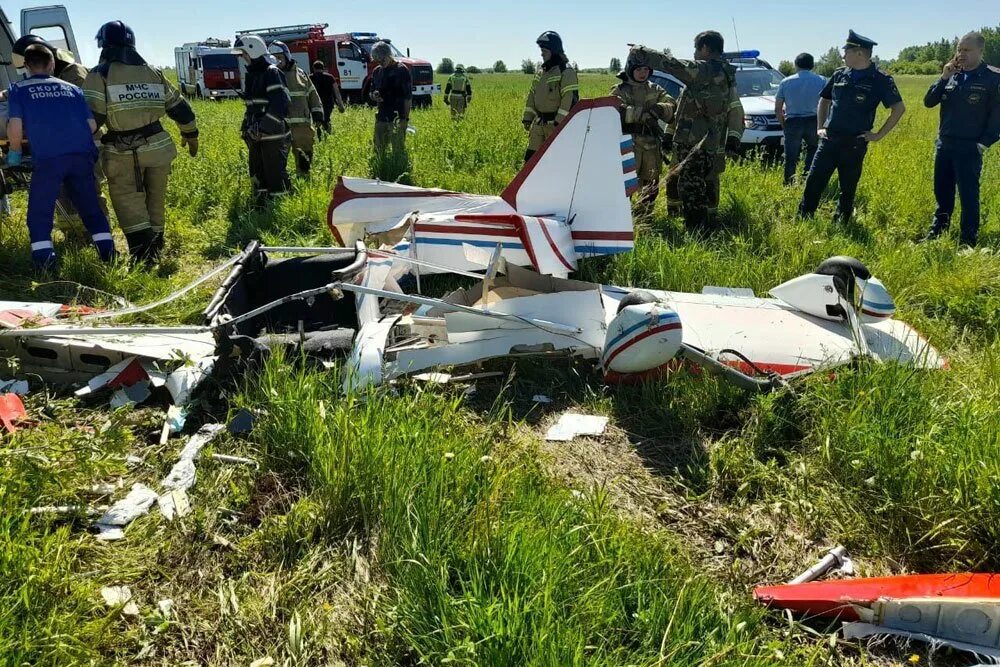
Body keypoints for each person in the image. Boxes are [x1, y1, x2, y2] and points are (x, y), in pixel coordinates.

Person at [83, 20, 199, 263]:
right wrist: (190, 134)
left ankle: (144, 255)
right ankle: (157, 246)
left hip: (123, 154)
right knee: (155, 198)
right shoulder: (153, 73)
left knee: (128, 201)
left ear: (103, 45)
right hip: (158, 149)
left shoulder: (100, 74)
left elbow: (92, 119)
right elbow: (181, 109)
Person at [6, 44, 116, 271]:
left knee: (39, 212)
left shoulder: (19, 89)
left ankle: (46, 264)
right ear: (52, 64)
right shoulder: (71, 88)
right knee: (91, 208)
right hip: (81, 156)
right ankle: (109, 256)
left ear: (26, 66)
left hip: (48, 159)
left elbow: (14, 126)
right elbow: (92, 125)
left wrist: (14, 154)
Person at [631, 31, 744, 229]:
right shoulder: (724, 74)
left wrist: (641, 51)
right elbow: (686, 109)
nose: (694, 53)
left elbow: (671, 64)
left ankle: (698, 231)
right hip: (709, 144)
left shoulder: (702, 71)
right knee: (696, 185)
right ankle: (701, 224)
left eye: (696, 49)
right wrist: (668, 134)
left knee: (690, 188)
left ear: (705, 48)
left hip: (693, 144)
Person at [798, 31, 905, 224]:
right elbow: (824, 100)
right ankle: (804, 217)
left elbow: (898, 108)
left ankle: (842, 221)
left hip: (855, 142)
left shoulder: (880, 79)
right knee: (814, 181)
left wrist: (878, 135)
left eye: (846, 51)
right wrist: (820, 127)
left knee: (848, 186)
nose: (843, 55)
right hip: (830, 139)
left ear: (859, 54)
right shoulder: (840, 74)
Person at [923, 31, 1000, 249]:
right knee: (942, 192)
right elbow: (929, 102)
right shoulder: (952, 74)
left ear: (980, 51)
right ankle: (937, 232)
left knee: (968, 195)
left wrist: (984, 142)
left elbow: (998, 115)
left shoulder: (993, 78)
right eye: (959, 49)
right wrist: (944, 76)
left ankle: (967, 241)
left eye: (967, 50)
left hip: (970, 147)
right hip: (945, 144)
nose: (961, 54)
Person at [611, 51, 675, 215]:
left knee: (651, 186)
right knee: (624, 185)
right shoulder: (620, 90)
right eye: (639, 69)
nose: (643, 73)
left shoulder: (656, 89)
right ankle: (622, 220)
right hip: (628, 145)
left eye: (646, 69)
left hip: (652, 146)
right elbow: (615, 110)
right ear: (630, 68)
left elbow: (672, 105)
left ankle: (644, 219)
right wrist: (643, 114)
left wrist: (659, 109)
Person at [234, 34, 291, 205]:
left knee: (274, 174)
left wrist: (263, 127)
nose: (242, 59)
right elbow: (252, 106)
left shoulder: (272, 72)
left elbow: (280, 105)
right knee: (257, 172)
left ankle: (280, 209)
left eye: (243, 54)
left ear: (254, 51)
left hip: (271, 135)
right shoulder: (252, 75)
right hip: (256, 135)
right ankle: (261, 205)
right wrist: (247, 127)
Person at [522, 31, 578, 162]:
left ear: (554, 51)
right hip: (538, 125)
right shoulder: (541, 73)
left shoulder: (566, 71)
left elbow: (569, 100)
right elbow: (532, 96)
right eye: (541, 50)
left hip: (555, 127)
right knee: (530, 162)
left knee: (555, 163)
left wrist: (558, 123)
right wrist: (527, 118)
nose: (541, 54)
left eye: (544, 51)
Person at [269, 42, 323, 177]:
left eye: (280, 56)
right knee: (277, 160)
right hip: (280, 127)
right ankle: (282, 185)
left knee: (304, 157)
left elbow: (312, 94)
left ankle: (304, 180)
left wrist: (318, 115)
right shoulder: (270, 76)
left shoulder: (301, 74)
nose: (277, 60)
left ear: (287, 56)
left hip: (302, 126)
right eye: (274, 57)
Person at [775, 52, 826, 185]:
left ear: (796, 65)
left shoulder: (785, 82)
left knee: (791, 156)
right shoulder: (821, 80)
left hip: (792, 121)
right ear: (812, 65)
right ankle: (807, 179)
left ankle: (789, 183)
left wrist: (783, 123)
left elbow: (778, 108)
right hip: (814, 120)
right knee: (813, 149)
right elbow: (827, 103)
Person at [369, 41, 411, 177]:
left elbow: (407, 97)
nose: (380, 63)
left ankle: (399, 174)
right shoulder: (377, 71)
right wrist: (374, 96)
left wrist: (405, 118)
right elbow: (371, 91)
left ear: (388, 55)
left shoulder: (401, 70)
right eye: (377, 61)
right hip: (381, 116)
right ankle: (380, 174)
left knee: (397, 149)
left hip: (397, 117)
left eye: (382, 60)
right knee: (378, 147)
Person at [310, 60, 344, 138]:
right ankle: (328, 137)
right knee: (327, 119)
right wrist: (340, 105)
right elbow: (337, 91)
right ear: (323, 68)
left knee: (317, 121)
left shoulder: (310, 77)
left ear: (314, 68)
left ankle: (318, 137)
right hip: (328, 103)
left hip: (315, 103)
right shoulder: (330, 77)